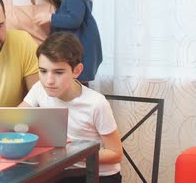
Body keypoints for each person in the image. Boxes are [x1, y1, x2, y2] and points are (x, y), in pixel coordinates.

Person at [19, 32, 122, 183]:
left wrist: (69, 156)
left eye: (58, 72)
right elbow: (15, 118)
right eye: (43, 71)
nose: (49, 81)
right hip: (63, 172)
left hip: (98, 176)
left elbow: (115, 153)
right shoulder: (39, 89)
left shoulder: (96, 103)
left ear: (77, 71)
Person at [51, 0, 110, 82]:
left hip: (77, 45)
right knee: (80, 84)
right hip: (84, 44)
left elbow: (74, 20)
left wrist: (51, 18)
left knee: (76, 82)